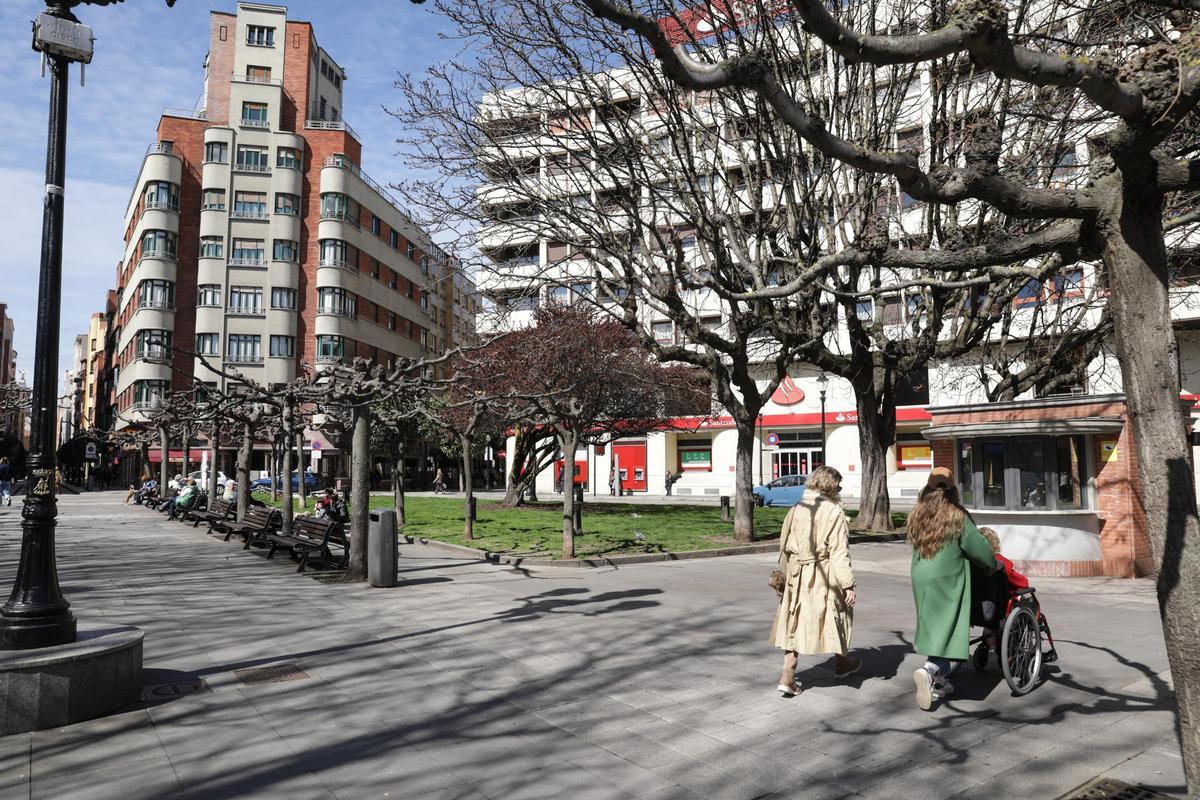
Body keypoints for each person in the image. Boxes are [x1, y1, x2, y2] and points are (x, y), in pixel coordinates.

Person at [908, 467, 999, 711]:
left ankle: (939, 680)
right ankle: (930, 671)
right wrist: (992, 564)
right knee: (949, 627)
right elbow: (979, 548)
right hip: (948, 577)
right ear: (953, 490)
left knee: (935, 627)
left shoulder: (918, 514)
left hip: (921, 575)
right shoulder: (958, 516)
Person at [769, 465, 860, 696]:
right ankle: (842, 662)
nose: (840, 489)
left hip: (797, 573)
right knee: (838, 614)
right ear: (830, 485)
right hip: (823, 573)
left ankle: (788, 674)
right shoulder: (833, 511)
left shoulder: (797, 507)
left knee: (793, 619)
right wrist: (848, 584)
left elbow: (784, 545)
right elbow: (839, 552)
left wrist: (786, 575)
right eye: (838, 485)